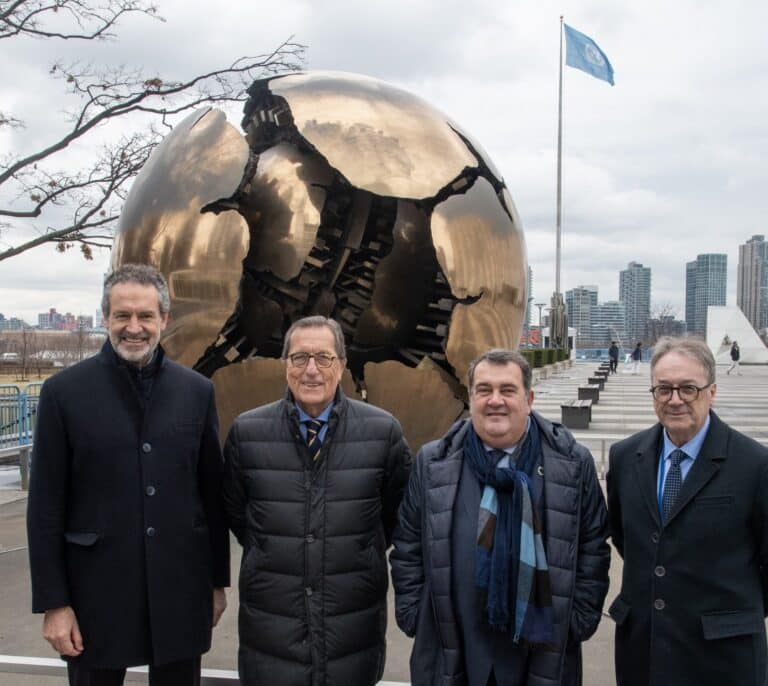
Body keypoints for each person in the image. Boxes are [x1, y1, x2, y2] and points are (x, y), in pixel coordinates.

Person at [27, 263, 230, 686]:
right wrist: (54, 603)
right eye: (122, 316)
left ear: (164, 320)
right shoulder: (64, 394)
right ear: (105, 318)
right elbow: (45, 507)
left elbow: (211, 496)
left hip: (180, 588)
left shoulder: (196, 392)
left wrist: (216, 582)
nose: (133, 327)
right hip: (93, 596)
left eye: (145, 316)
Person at [391, 348, 610, 686]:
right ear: (471, 396)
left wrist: (578, 618)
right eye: (484, 390)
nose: (495, 400)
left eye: (507, 390)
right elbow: (407, 544)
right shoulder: (433, 463)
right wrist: (416, 615)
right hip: (452, 648)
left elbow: (594, 546)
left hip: (543, 652)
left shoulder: (572, 464)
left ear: (529, 398)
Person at [223, 315, 412, 686]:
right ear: (285, 366)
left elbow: (393, 519)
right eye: (299, 358)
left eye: (324, 358)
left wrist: (349, 548)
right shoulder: (247, 434)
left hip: (350, 635)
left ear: (341, 366)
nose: (311, 369)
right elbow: (239, 517)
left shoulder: (382, 433)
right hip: (271, 635)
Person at [607, 336, 768, 686]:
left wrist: (730, 617)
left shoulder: (754, 465)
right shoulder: (624, 459)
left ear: (711, 392)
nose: (675, 399)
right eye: (663, 389)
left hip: (723, 658)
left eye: (688, 389)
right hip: (642, 652)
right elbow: (626, 538)